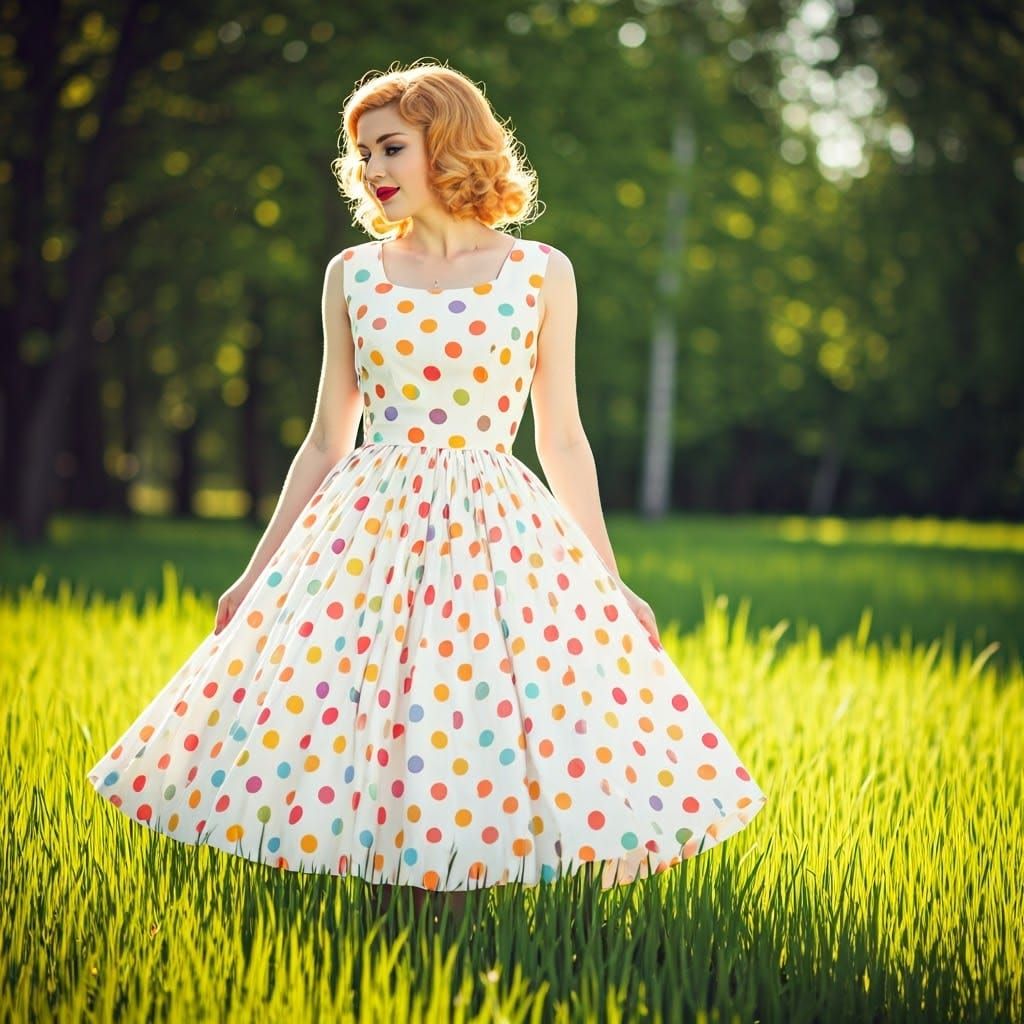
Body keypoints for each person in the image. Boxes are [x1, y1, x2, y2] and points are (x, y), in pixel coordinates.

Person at [85, 60, 767, 930]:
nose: (371, 169)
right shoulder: (352, 275)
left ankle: (466, 915)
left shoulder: (540, 272)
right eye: (363, 153)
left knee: (474, 710)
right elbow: (329, 437)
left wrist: (610, 579)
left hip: (495, 528)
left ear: (446, 141)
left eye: (390, 147)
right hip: (366, 530)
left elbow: (561, 438)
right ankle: (383, 919)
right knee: (373, 714)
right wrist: (254, 576)